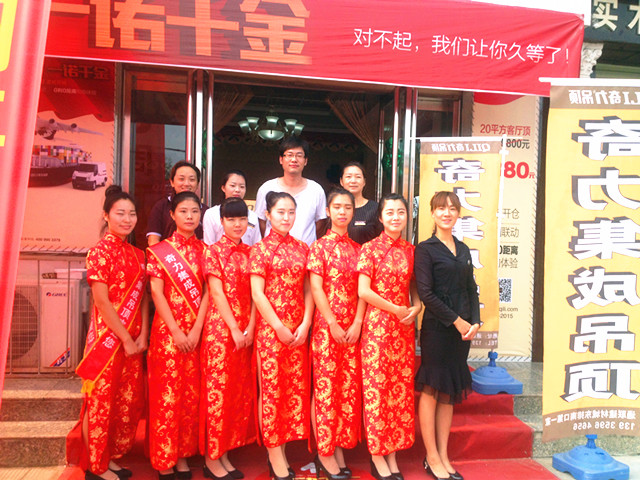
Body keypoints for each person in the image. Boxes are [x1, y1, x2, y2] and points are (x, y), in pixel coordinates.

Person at [76, 185, 149, 480]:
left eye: (132, 214)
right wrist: (126, 338)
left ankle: (110, 457)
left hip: (133, 342)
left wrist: (142, 335)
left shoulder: (138, 254)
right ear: (106, 215)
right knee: (100, 403)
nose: (127, 219)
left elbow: (143, 298)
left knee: (124, 402)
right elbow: (102, 301)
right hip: (107, 342)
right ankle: (96, 466)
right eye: (120, 213)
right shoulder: (99, 252)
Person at [414, 191, 480, 480]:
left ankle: (443, 454)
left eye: (452, 208)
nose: (447, 213)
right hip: (437, 330)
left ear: (458, 214)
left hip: (461, 333)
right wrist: (457, 321)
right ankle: (430, 456)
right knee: (432, 388)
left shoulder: (463, 249)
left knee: (449, 392)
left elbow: (471, 289)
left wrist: (474, 321)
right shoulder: (425, 249)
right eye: (441, 208)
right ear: (432, 213)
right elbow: (426, 293)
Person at [357, 193, 422, 480]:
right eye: (390, 212)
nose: (396, 217)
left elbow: (414, 287)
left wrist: (417, 306)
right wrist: (395, 308)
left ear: (407, 216)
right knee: (378, 390)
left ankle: (393, 453)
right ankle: (377, 456)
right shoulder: (369, 249)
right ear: (381, 217)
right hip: (378, 329)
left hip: (404, 328)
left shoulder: (411, 251)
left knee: (399, 392)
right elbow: (363, 291)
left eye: (401, 212)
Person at [250, 191, 314, 480]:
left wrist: (306, 323)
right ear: (267, 214)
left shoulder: (302, 248)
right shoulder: (260, 250)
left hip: (298, 332)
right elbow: (257, 294)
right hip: (271, 331)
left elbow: (308, 289)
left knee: (291, 391)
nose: (286, 217)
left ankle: (283, 450)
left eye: (291, 212)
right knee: (272, 390)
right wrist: (278, 326)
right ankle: (274, 454)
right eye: (280, 212)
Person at [147, 191, 209, 480]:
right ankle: (164, 458)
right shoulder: (159, 251)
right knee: (167, 396)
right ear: (172, 215)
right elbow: (156, 292)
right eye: (183, 211)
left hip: (196, 334)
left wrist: (196, 330)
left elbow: (208, 293)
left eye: (194, 211)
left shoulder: (206, 251)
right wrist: (175, 331)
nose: (189, 216)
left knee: (190, 397)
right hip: (168, 334)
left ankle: (182, 455)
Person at [307, 188, 365, 480]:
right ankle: (324, 452)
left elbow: (364, 290)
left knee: (346, 389)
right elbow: (315, 288)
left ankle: (338, 445)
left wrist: (357, 323)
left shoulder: (359, 250)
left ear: (353, 212)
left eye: (348, 207)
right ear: (328, 211)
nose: (342, 212)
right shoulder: (319, 248)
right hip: (327, 329)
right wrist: (331, 322)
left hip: (353, 330)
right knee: (325, 389)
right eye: (337, 207)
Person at [201, 197, 256, 480]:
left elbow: (258, 295)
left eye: (242, 219)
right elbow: (216, 293)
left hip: (246, 331)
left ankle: (225, 453)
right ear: (221, 222)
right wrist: (234, 328)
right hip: (221, 331)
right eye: (231, 219)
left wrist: (251, 327)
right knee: (218, 394)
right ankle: (212, 458)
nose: (237, 224)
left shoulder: (252, 252)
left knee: (236, 394)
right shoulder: (213, 252)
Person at [254, 137, 327, 246]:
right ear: (281, 160)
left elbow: (320, 224)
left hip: (306, 252)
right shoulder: (266, 188)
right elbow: (260, 222)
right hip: (272, 251)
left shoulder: (316, 190)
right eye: (289, 155)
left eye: (299, 155)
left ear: (305, 161)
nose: (294, 159)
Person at [147, 161, 208, 246]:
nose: (186, 184)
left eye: (192, 180)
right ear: (172, 182)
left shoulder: (206, 211)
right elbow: (153, 240)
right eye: (181, 179)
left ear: (197, 184)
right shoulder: (161, 206)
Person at [202, 170, 261, 246]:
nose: (237, 190)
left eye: (242, 187)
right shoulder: (211, 214)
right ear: (223, 188)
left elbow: (256, 245)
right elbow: (209, 243)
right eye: (233, 186)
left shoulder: (252, 216)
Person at [340, 162, 381, 245]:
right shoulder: (335, 209)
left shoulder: (375, 208)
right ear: (341, 181)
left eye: (358, 177)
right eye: (348, 177)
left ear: (364, 182)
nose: (353, 181)